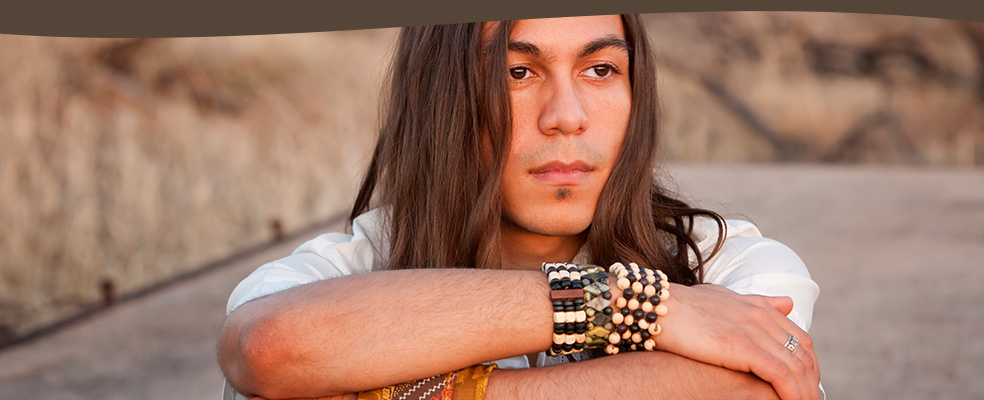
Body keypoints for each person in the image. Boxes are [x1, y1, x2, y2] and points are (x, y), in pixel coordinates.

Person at [217, 14, 822, 400]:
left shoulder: (722, 263)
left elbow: (753, 389)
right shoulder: (354, 264)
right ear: (443, 98)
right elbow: (268, 348)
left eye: (601, 68)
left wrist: (436, 391)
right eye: (517, 70)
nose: (567, 115)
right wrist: (636, 306)